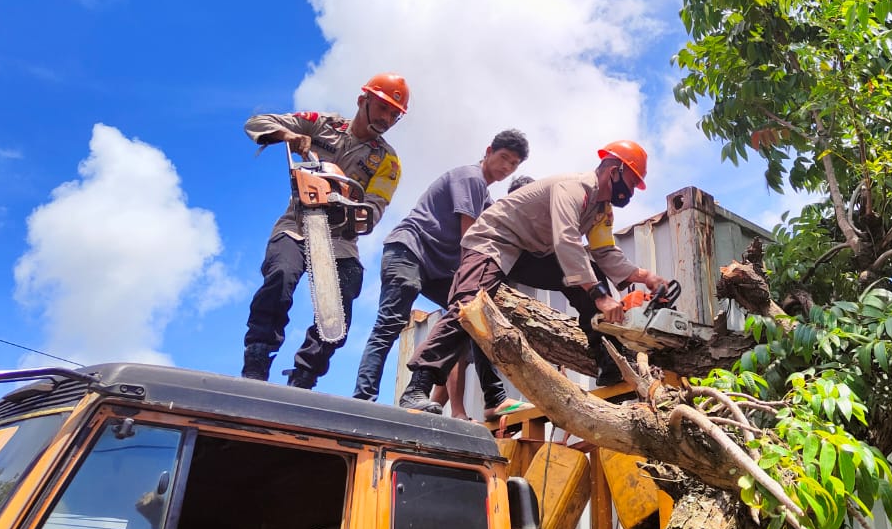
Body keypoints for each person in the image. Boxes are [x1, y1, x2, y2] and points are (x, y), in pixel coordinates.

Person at [397, 140, 671, 413]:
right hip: (494, 239)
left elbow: (605, 252)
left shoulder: (602, 210)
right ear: (614, 170)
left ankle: (606, 361)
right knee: (469, 305)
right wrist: (600, 297)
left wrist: (644, 276)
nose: (632, 191)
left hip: (531, 251)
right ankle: (418, 386)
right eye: (632, 182)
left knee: (593, 273)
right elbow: (565, 240)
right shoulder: (575, 188)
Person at [241, 73, 409, 389]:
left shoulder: (388, 162)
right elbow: (256, 124)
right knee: (279, 277)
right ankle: (257, 358)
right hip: (296, 223)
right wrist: (286, 135)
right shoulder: (321, 124)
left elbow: (373, 211)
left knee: (341, 301)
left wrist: (345, 203)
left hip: (341, 238)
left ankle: (306, 374)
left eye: (394, 114)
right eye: (383, 108)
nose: (387, 118)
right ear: (364, 100)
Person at [353, 129, 530, 409]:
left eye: (514, 164)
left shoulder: (484, 196)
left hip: (437, 268)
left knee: (471, 315)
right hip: (409, 251)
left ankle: (491, 399)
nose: (506, 168)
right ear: (488, 151)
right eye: (504, 158)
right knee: (390, 323)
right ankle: (364, 399)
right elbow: (469, 239)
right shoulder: (470, 177)